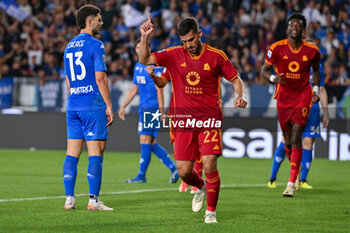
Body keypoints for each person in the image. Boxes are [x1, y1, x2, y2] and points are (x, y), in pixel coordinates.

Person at [139, 14, 247, 223]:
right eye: (184, 41)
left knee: (208, 164)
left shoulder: (217, 56)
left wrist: (239, 96)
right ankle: (201, 186)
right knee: (184, 171)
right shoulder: (174, 55)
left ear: (199, 34)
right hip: (183, 122)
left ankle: (211, 212)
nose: (189, 45)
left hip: (209, 119)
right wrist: (145, 37)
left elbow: (236, 79)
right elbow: (144, 59)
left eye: (192, 39)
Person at [261, 13, 321, 197]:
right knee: (287, 140)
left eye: (298, 26)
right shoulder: (277, 48)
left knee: (296, 137)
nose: (295, 28)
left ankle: (290, 183)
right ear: (288, 27)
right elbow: (264, 71)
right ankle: (295, 167)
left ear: (302, 29)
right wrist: (273, 78)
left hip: (303, 96)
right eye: (292, 25)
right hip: (284, 98)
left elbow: (316, 72)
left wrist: (316, 91)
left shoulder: (312, 51)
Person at [62, 5, 114, 211]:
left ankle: (69, 199)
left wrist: (76, 95)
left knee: (72, 152)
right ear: (89, 21)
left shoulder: (69, 46)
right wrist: (109, 105)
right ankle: (93, 201)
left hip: (73, 104)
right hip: (92, 105)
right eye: (99, 19)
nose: (102, 23)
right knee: (96, 153)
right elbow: (101, 78)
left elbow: (68, 79)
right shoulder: (97, 45)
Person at [118, 39, 179, 184]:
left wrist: (162, 111)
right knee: (150, 142)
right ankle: (173, 168)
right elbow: (134, 88)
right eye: (137, 47)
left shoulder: (154, 67)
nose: (139, 49)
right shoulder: (137, 67)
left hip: (152, 108)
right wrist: (124, 105)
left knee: (145, 141)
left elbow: (160, 89)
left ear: (148, 49)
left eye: (142, 47)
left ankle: (141, 175)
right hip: (143, 108)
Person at [268, 58, 329, 189]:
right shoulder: (293, 64)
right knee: (287, 140)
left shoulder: (319, 68)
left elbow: (322, 90)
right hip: (295, 107)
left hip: (312, 110)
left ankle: (303, 179)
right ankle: (272, 177)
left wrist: (326, 112)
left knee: (308, 142)